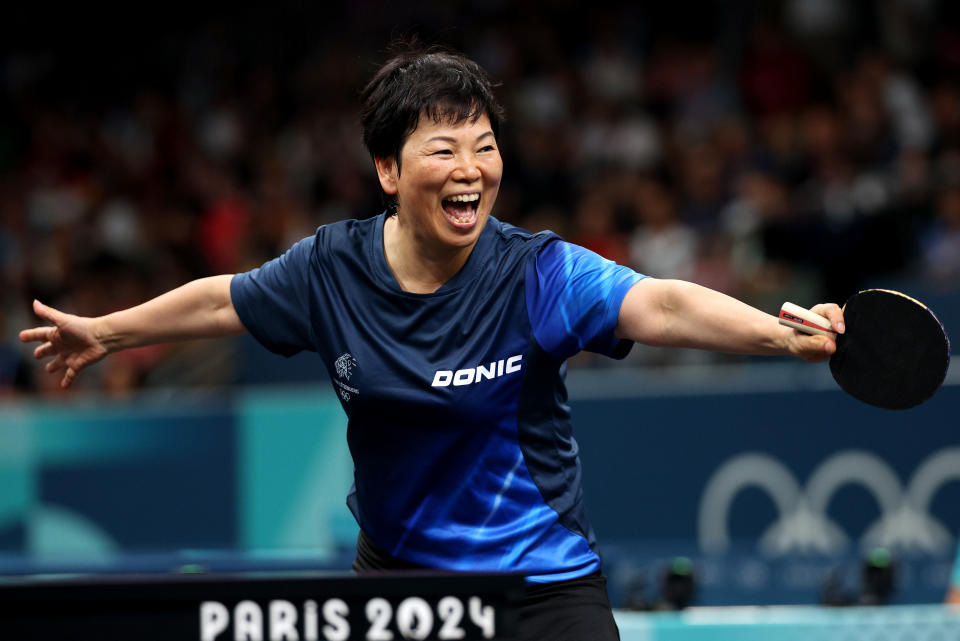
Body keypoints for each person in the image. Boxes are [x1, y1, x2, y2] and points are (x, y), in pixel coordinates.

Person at [19, 45, 844, 641]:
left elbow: (659, 305)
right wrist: (104, 332)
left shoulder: (536, 272)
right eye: (443, 148)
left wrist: (780, 334)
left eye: (484, 146)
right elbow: (223, 302)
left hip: (541, 589)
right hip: (402, 590)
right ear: (388, 171)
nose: (471, 167)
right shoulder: (331, 269)